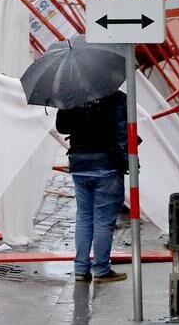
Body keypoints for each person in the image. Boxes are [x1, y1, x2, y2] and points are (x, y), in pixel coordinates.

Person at [55, 92, 129, 284]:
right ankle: (101, 269)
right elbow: (123, 131)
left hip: (79, 161)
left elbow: (62, 127)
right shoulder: (116, 97)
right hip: (106, 162)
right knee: (104, 220)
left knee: (84, 217)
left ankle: (80, 269)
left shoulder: (70, 95)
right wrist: (127, 160)